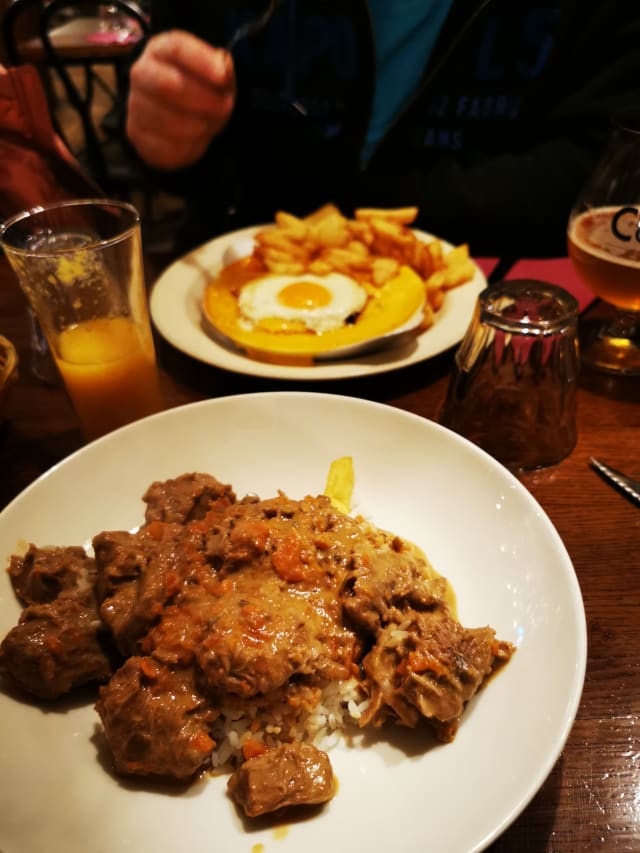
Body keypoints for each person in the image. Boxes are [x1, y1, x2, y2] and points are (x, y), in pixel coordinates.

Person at [126, 0, 640, 257]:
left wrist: (348, 208)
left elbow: (602, 177)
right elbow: (178, 154)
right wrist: (165, 142)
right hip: (223, 288)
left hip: (502, 313)